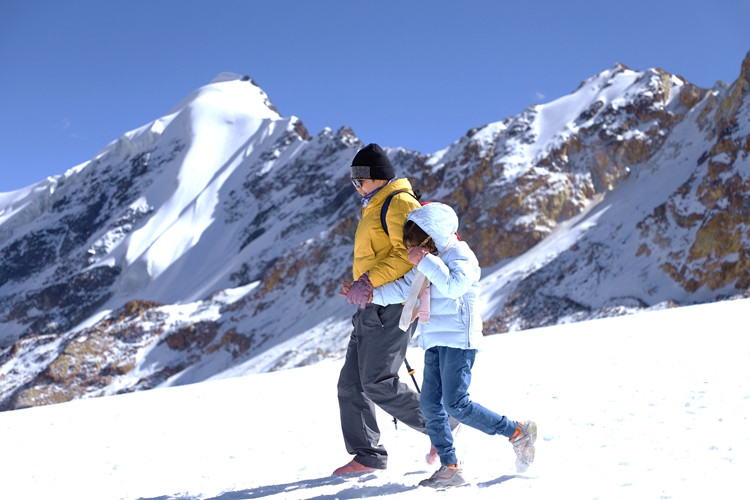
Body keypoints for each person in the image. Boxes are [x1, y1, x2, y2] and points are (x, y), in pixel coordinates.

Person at [369, 202, 537, 488]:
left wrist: (425, 261)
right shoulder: (429, 259)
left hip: (459, 339)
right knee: (429, 405)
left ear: (432, 236)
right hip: (434, 339)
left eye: (417, 243)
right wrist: (370, 294)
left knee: (456, 404)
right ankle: (450, 467)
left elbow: (454, 287)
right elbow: (405, 288)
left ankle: (518, 432)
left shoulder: (461, 255)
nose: (414, 249)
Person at [333, 143, 428, 475]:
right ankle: (367, 455)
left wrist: (369, 280)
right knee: (350, 384)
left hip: (393, 306)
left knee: (377, 382)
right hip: (370, 306)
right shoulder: (373, 205)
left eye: (359, 181)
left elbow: (408, 254)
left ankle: (443, 424)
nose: (356, 187)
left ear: (375, 177)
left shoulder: (398, 203)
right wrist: (361, 285)